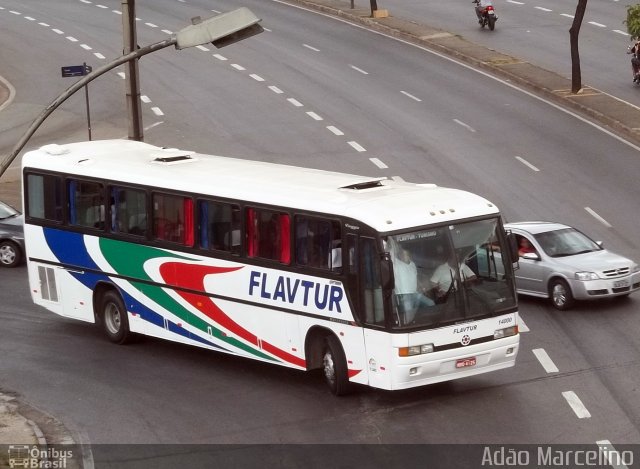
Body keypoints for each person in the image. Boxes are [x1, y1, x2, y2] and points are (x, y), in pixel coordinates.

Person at [393, 248, 434, 324]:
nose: (404, 256)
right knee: (408, 318)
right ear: (399, 255)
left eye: (406, 254)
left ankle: (426, 324)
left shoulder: (412, 264)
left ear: (409, 255)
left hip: (415, 293)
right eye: (402, 254)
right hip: (404, 295)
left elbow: (415, 277)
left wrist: (421, 287)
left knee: (431, 304)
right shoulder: (396, 264)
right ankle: (409, 326)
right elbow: (391, 250)